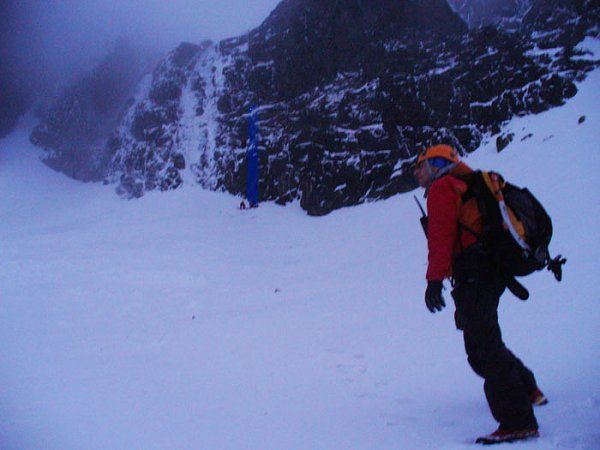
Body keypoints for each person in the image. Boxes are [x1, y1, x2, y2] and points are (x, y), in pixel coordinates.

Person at [414, 144, 548, 445]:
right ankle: (528, 389)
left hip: (473, 273)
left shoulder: (443, 188)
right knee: (486, 339)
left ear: (436, 163)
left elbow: (441, 236)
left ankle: (518, 420)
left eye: (420, 165)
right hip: (488, 270)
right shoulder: (468, 184)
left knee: (482, 350)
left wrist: (434, 281)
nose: (416, 173)